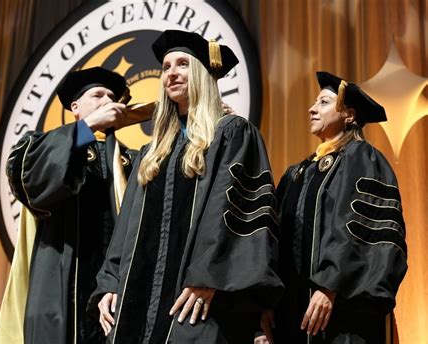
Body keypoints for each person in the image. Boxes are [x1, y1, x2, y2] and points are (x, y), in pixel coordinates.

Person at [88, 30, 284, 344]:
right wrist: (110, 282)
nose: (171, 73)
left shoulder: (231, 134)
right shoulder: (153, 153)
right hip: (137, 307)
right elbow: (126, 228)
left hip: (200, 299)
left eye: (182, 64)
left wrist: (209, 275)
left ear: (204, 75)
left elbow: (234, 212)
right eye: (166, 67)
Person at [0, 67, 136, 344]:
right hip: (61, 290)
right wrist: (88, 127)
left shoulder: (131, 161)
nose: (107, 101)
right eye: (98, 95)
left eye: (112, 96)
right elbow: (30, 177)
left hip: (117, 293)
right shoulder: (42, 145)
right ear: (75, 107)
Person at [274, 71, 408, 343]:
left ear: (349, 115)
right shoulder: (297, 173)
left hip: (342, 312)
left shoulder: (362, 157)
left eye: (323, 102)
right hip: (293, 314)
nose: (312, 109)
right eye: (314, 103)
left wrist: (329, 286)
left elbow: (360, 229)